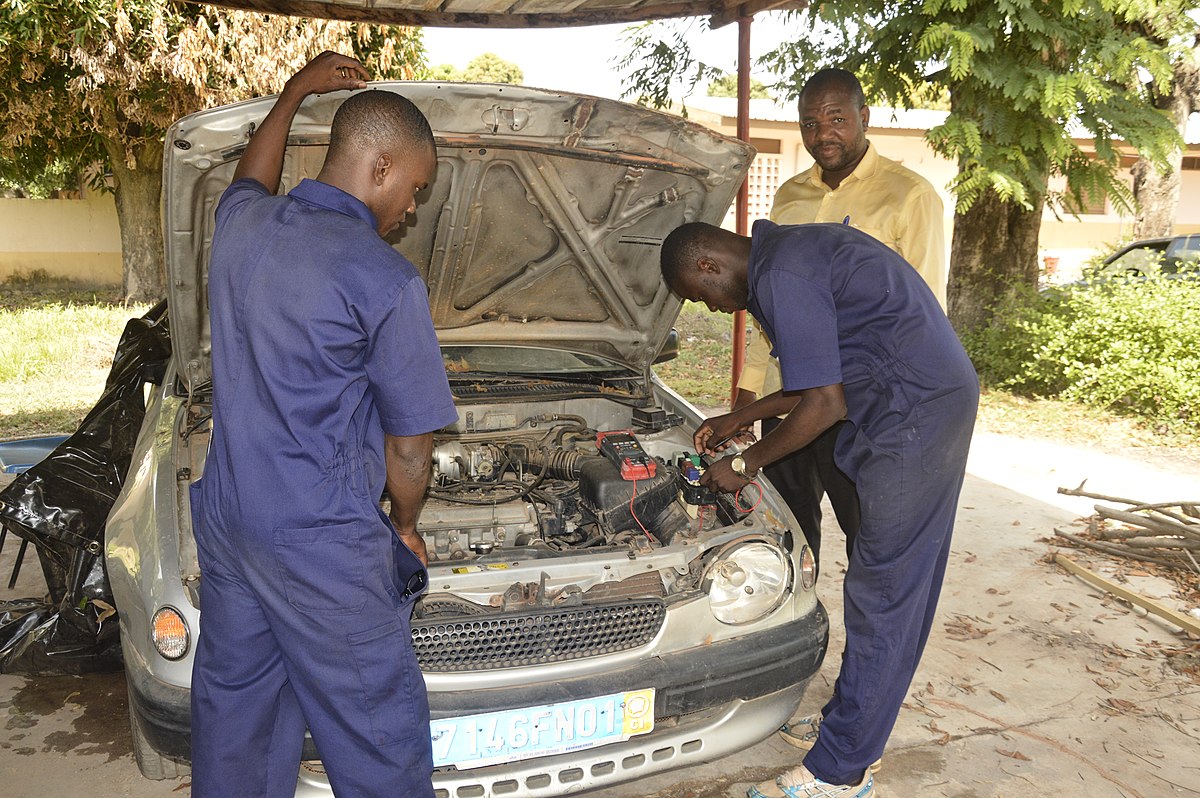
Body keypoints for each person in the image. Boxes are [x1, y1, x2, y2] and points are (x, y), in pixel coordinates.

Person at [189, 52, 457, 798]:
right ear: (379, 168)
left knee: (237, 716)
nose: (410, 208)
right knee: (378, 734)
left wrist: (294, 93)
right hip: (321, 548)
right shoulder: (384, 278)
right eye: (414, 188)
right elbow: (409, 445)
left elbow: (249, 175)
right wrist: (405, 524)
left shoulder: (241, 225)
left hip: (233, 523)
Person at [660, 220, 977, 798]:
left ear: (707, 264)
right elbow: (831, 375)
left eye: (697, 296)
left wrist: (746, 463)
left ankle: (842, 769)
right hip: (897, 398)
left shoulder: (783, 272)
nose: (708, 308)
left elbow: (825, 403)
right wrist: (741, 417)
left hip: (915, 417)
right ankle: (851, 725)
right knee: (884, 587)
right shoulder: (790, 255)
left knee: (885, 592)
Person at [734, 67, 947, 572]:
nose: (822, 133)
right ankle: (793, 620)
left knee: (866, 531)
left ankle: (865, 634)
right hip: (787, 395)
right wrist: (749, 388)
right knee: (786, 526)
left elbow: (922, 309)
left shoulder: (909, 195)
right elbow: (769, 299)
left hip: (859, 404)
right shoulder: (790, 196)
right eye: (810, 122)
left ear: (863, 117)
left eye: (836, 118)